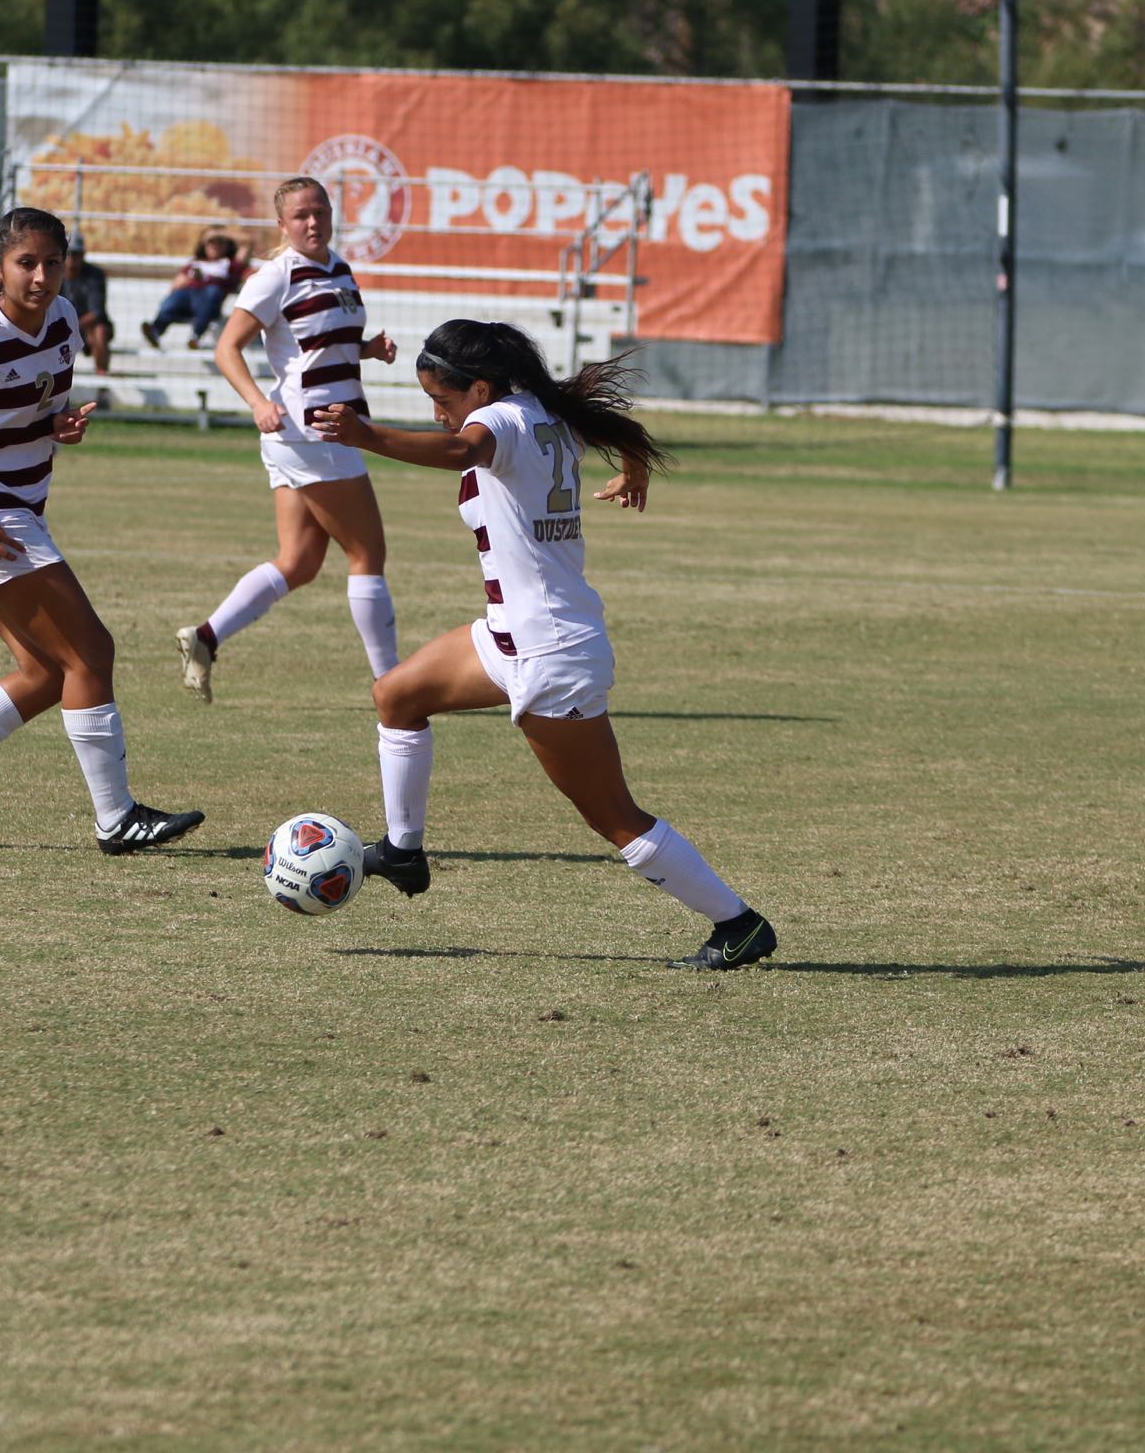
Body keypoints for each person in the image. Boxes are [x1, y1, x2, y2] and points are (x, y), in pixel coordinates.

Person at [314, 320, 777, 972]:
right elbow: (626, 434)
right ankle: (402, 850)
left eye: (443, 402)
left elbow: (459, 453)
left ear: (480, 388)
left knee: (616, 818)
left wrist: (366, 437)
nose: (439, 416)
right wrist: (636, 471)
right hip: (511, 637)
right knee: (397, 695)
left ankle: (738, 923)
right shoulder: (544, 413)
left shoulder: (501, 422)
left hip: (550, 654)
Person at [0, 205, 204, 856]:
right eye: (26, 263)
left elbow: (38, 406)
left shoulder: (63, 320)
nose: (40, 275)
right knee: (92, 653)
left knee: (46, 674)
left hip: (15, 509)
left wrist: (57, 425)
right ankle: (116, 819)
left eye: (52, 263)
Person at [172, 179, 400, 704]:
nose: (313, 222)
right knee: (367, 553)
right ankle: (393, 683)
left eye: (320, 211)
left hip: (317, 430)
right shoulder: (275, 276)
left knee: (299, 562)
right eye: (301, 215)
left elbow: (316, 348)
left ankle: (205, 637)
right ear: (282, 224)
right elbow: (227, 349)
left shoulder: (339, 267)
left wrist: (366, 348)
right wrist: (257, 401)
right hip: (311, 430)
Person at [138, 227, 246, 352]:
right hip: (187, 298)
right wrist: (192, 278)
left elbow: (248, 242)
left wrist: (219, 233)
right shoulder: (194, 263)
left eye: (220, 243)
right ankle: (155, 331)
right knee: (173, 299)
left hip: (209, 303)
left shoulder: (230, 264)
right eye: (211, 243)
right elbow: (175, 285)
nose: (215, 246)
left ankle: (196, 337)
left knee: (212, 292)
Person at [61, 233, 113, 373]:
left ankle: (102, 380)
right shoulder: (53, 274)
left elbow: (97, 312)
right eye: (69, 254)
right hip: (61, 326)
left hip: (87, 327)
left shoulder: (94, 276)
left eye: (76, 254)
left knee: (99, 332)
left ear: (83, 255)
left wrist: (72, 326)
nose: (72, 259)